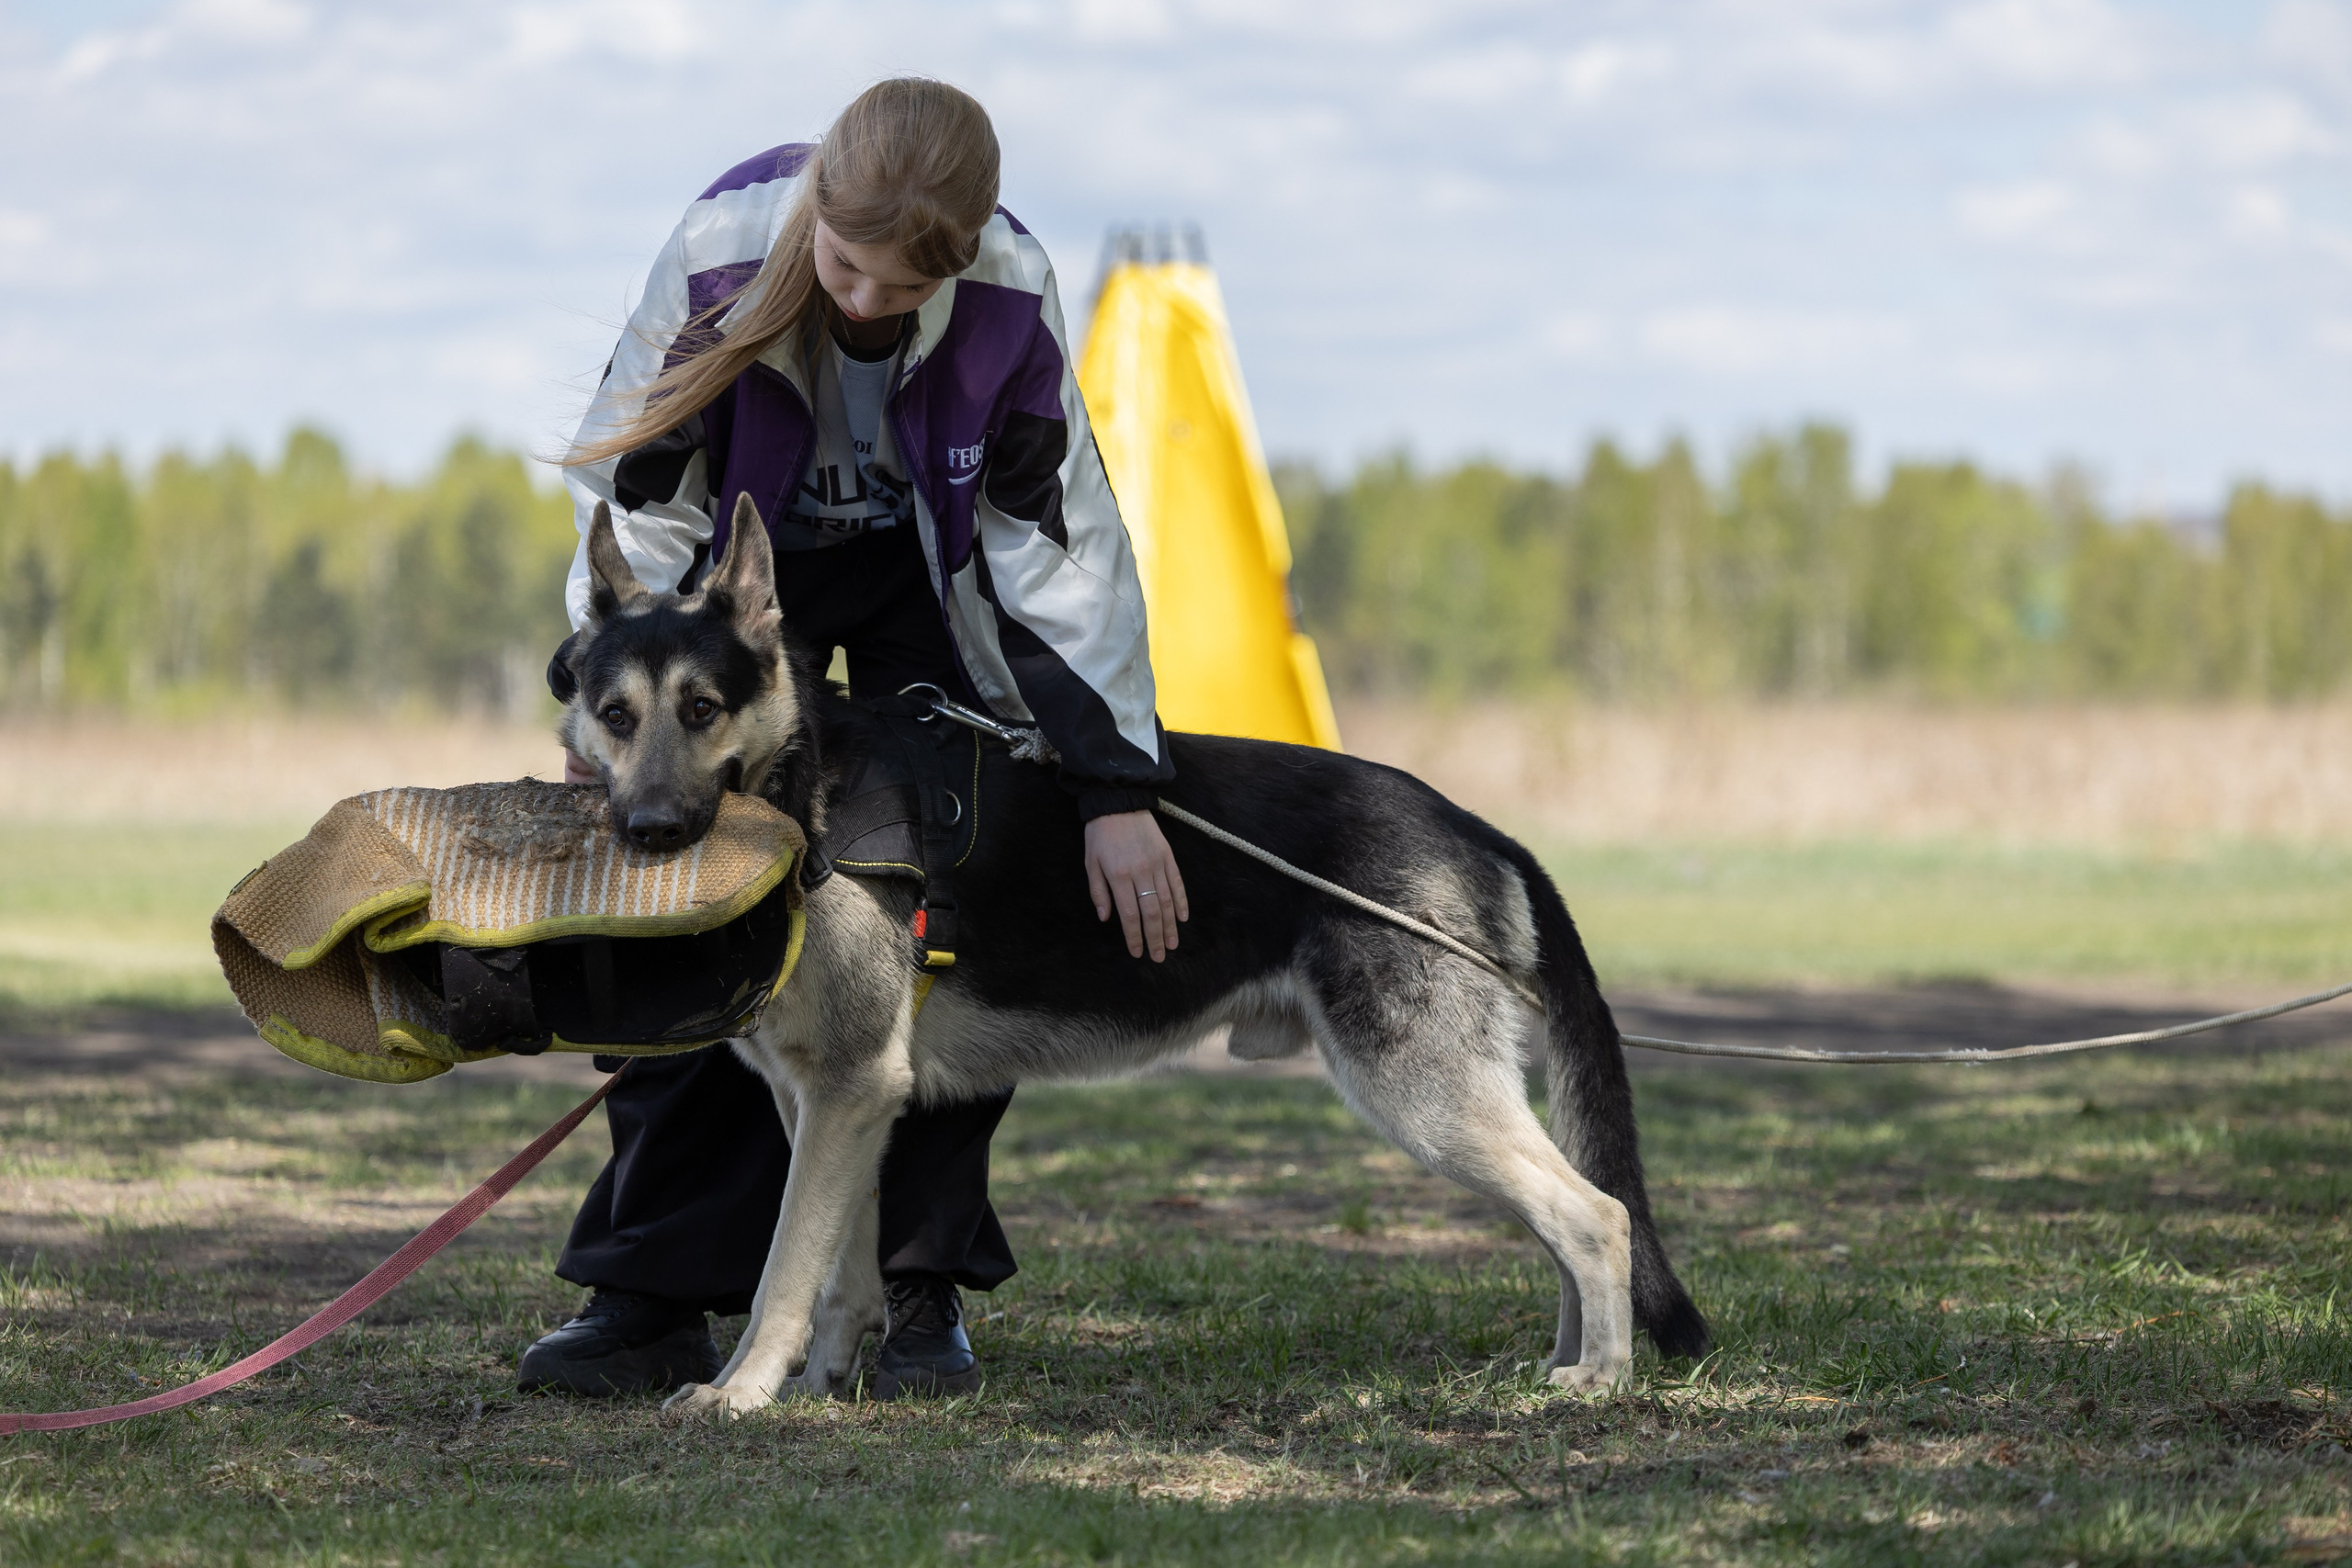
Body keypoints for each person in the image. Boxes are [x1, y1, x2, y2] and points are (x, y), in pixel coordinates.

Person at [516, 78, 1189, 1400]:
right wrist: (616, 708)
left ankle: (914, 1296)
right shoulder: (722, 249)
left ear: (963, 253)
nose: (868, 305)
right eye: (845, 270)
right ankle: (652, 1294)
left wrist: (1114, 784)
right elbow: (639, 505)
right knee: (685, 898)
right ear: (813, 213)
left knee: (934, 901)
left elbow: (1060, 550)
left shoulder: (1007, 287)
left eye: (902, 290)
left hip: (928, 591)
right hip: (736, 584)